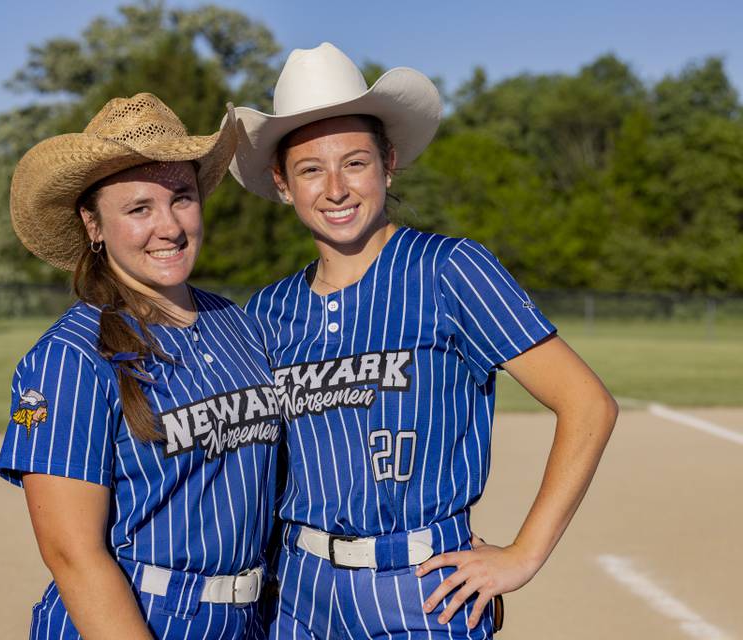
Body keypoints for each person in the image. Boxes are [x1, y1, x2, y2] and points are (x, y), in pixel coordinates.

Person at [228, 43, 618, 639]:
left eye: (354, 163)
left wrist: (523, 553)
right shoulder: (268, 309)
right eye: (310, 169)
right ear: (282, 183)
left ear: (388, 163)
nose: (335, 188)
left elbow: (588, 403)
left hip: (421, 590)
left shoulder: (450, 269)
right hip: (297, 593)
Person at [0, 93, 282, 639]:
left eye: (181, 198)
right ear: (93, 224)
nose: (169, 226)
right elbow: (73, 556)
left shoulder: (237, 324)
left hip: (247, 620)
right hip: (138, 619)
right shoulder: (70, 357)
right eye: (138, 208)